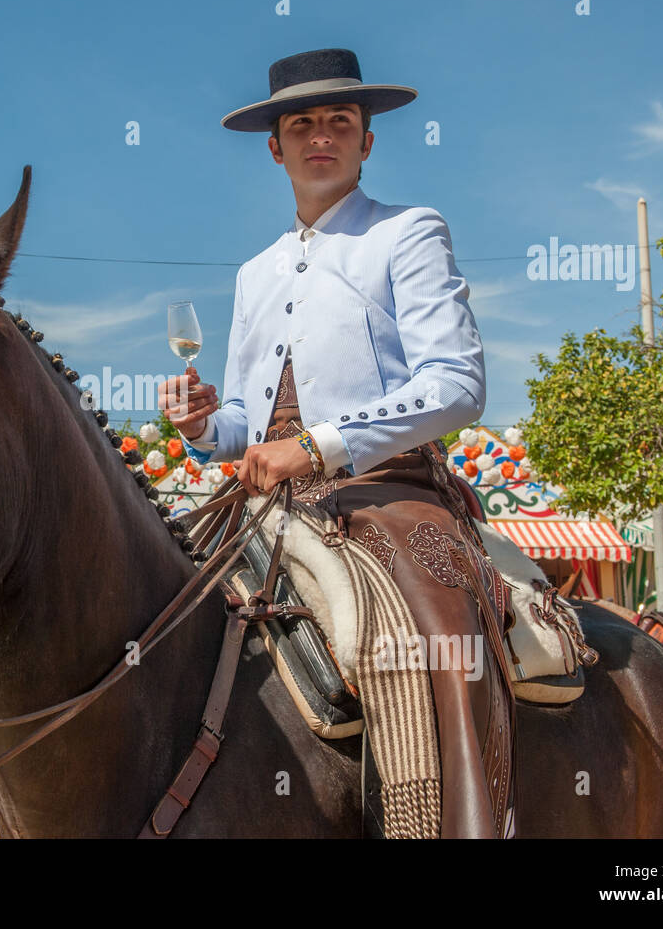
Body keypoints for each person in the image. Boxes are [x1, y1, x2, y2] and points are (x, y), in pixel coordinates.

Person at [159, 48, 510, 838]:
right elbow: (244, 429)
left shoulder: (407, 233)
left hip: (386, 492)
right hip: (258, 501)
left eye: (340, 122)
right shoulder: (255, 273)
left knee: (419, 639)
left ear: (367, 142)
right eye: (302, 123)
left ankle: (448, 823)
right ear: (276, 146)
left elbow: (456, 383)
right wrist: (206, 427)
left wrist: (319, 446)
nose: (323, 135)